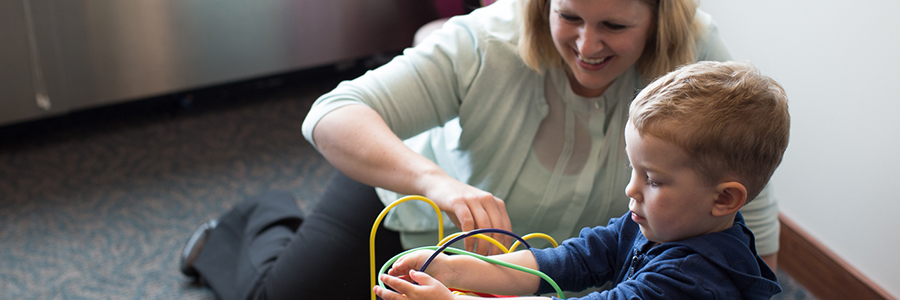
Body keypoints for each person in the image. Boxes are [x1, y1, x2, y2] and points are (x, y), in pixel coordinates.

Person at [178, 0, 781, 298]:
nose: (587, 43)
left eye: (615, 26)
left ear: (657, 18)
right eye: (568, 15)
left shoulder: (698, 68)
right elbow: (331, 114)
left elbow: (749, 211)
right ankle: (256, 220)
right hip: (421, 202)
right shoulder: (486, 37)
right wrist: (444, 206)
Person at [374, 60, 788, 300]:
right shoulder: (658, 223)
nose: (631, 189)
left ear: (724, 200)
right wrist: (456, 271)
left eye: (654, 180)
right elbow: (569, 260)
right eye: (633, 170)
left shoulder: (695, 281)